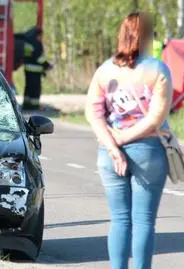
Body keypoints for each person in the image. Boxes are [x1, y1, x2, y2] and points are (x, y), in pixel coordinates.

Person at [85, 12, 172, 269]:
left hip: (109, 153)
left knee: (120, 219)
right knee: (144, 220)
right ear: (148, 36)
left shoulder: (105, 70)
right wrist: (127, 137)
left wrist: (114, 146)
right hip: (148, 151)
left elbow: (93, 113)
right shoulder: (158, 70)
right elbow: (156, 117)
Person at [21, 27, 52, 110]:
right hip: (35, 71)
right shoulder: (36, 43)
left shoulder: (28, 43)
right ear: (37, 35)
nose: (41, 37)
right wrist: (47, 65)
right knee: (35, 89)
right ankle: (34, 106)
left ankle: (26, 105)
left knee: (28, 88)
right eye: (41, 36)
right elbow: (39, 58)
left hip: (28, 69)